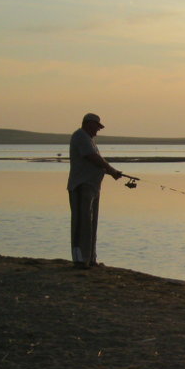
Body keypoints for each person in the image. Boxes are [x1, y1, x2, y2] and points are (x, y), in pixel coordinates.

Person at [67, 112, 123, 269]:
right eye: (96, 127)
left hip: (93, 187)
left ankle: (90, 259)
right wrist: (111, 170)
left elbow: (95, 163)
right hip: (81, 186)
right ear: (88, 123)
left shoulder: (89, 139)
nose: (97, 130)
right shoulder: (80, 136)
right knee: (81, 224)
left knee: (91, 224)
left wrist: (111, 172)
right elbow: (92, 158)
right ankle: (79, 260)